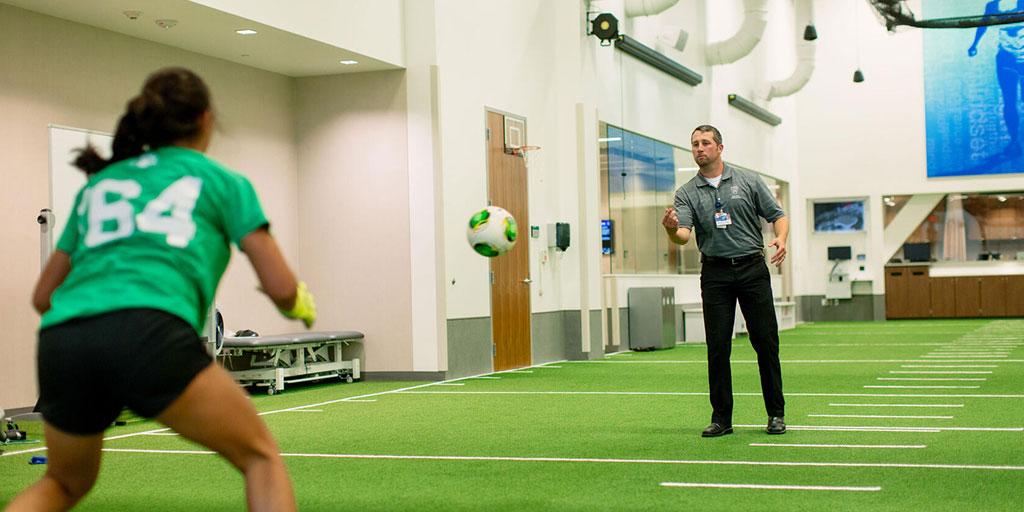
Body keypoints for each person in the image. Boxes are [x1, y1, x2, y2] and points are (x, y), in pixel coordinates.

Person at [6, 67, 315, 511]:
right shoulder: (223, 182)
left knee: (63, 483)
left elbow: (42, 297)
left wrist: (95, 335)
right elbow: (282, 288)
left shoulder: (102, 184)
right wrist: (299, 304)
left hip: (64, 340)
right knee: (260, 457)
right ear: (207, 119)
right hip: (152, 332)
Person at [661, 125, 788, 438]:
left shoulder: (747, 181)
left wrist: (782, 238)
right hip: (715, 274)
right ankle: (721, 419)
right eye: (694, 144)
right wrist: (669, 229)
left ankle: (776, 414)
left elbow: (777, 215)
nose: (699, 149)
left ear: (719, 147)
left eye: (705, 143)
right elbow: (683, 236)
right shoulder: (687, 192)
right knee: (717, 348)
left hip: (752, 269)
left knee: (766, 343)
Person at [967, 0, 1024, 157]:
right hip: (1006, 60)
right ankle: (1014, 142)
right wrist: (974, 44)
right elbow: (983, 25)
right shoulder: (992, 6)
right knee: (1009, 102)